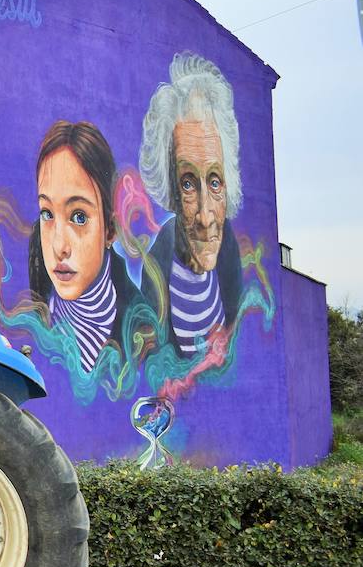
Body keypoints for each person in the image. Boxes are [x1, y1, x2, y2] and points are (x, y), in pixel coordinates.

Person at [137, 53, 243, 356]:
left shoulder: (232, 254)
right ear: (169, 188)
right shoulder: (154, 275)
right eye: (187, 183)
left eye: (214, 181)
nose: (205, 216)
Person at [28, 120, 147, 372]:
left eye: (79, 217)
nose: (59, 246)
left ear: (110, 229)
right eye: (47, 214)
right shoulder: (31, 314)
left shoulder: (141, 336)